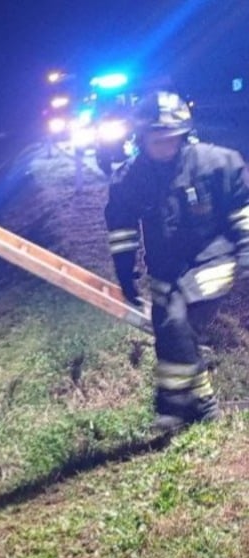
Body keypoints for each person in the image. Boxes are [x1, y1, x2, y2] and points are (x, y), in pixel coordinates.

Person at [105, 90, 249, 432]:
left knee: (177, 322)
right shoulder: (132, 177)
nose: (164, 145)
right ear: (141, 138)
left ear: (184, 133)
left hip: (213, 259)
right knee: (170, 335)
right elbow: (121, 226)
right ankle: (202, 405)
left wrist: (246, 249)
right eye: (156, 139)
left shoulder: (217, 164)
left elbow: (242, 209)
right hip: (166, 269)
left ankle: (172, 410)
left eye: (170, 138)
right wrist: (126, 273)